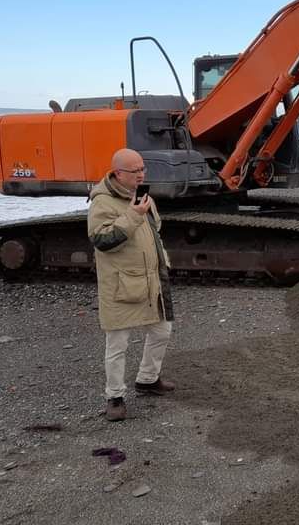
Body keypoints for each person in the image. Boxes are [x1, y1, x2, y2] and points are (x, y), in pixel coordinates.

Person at [87, 148, 175, 422]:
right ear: (118, 173)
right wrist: (135, 215)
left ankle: (148, 379)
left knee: (162, 330)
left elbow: (154, 232)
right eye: (135, 170)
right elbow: (102, 241)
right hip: (120, 285)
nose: (141, 174)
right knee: (117, 344)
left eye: (142, 169)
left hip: (151, 280)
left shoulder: (142, 196)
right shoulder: (102, 203)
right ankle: (115, 397)